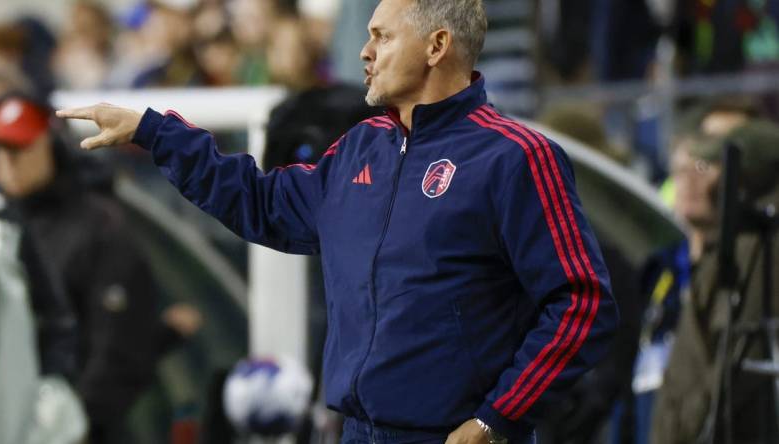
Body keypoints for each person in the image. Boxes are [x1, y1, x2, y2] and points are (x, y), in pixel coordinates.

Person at [57, 1, 618, 443]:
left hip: (454, 437)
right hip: (354, 432)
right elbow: (264, 203)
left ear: (437, 45)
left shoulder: (516, 157)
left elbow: (582, 304)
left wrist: (498, 420)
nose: (364, 52)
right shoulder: (360, 148)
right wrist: (156, 132)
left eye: (382, 35)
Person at [0, 81, 202, 443]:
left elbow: (117, 349)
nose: (7, 162)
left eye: (20, 148)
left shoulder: (98, 228)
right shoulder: (0, 227)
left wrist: (71, 425)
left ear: (51, 145)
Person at [650, 119, 779, 444]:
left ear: (743, 178)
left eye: (711, 167)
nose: (697, 181)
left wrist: (684, 430)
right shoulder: (728, 250)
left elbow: (734, 369)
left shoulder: (754, 253)